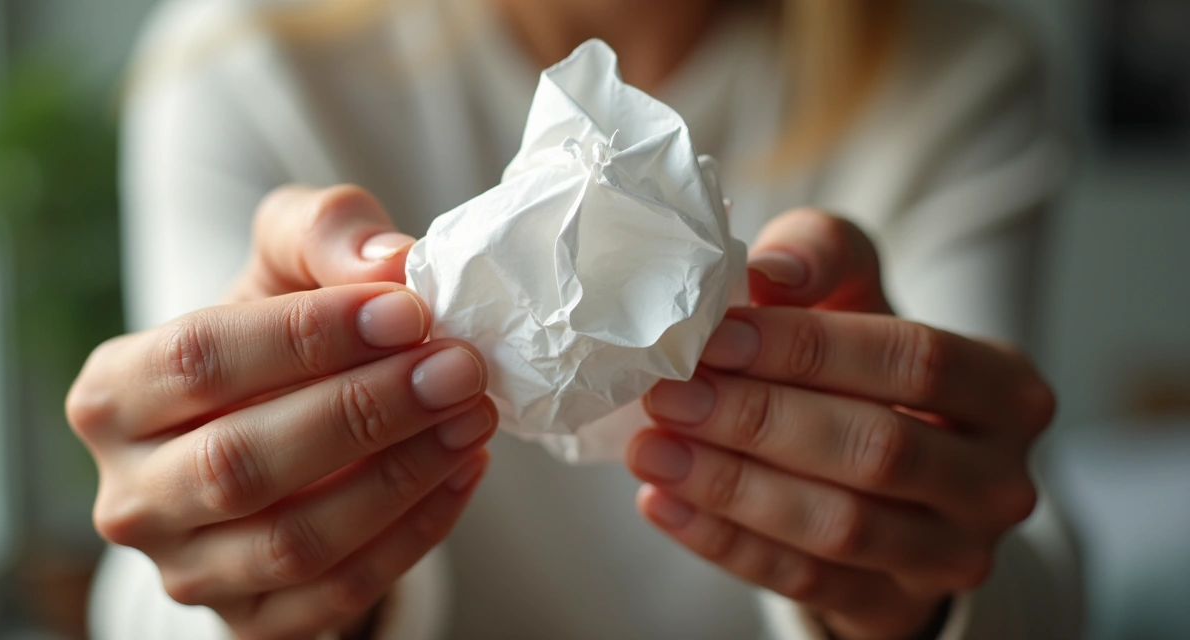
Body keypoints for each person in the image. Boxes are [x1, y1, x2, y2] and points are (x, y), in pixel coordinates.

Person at [66, 0, 1080, 638]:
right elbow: (158, 592)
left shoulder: (953, 72)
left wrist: (920, 594)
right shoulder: (248, 60)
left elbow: (1030, 578)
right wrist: (254, 571)